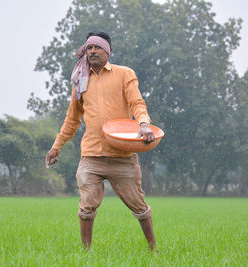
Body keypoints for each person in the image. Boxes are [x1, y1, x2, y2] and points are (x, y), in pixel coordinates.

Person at [45, 31, 156, 251]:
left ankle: (154, 251)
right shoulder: (80, 80)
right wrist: (56, 146)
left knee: (139, 207)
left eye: (97, 47)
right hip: (91, 155)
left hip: (122, 155)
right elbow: (72, 119)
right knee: (86, 206)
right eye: (89, 48)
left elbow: (137, 103)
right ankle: (87, 254)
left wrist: (143, 124)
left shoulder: (124, 74)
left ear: (108, 50)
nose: (92, 51)